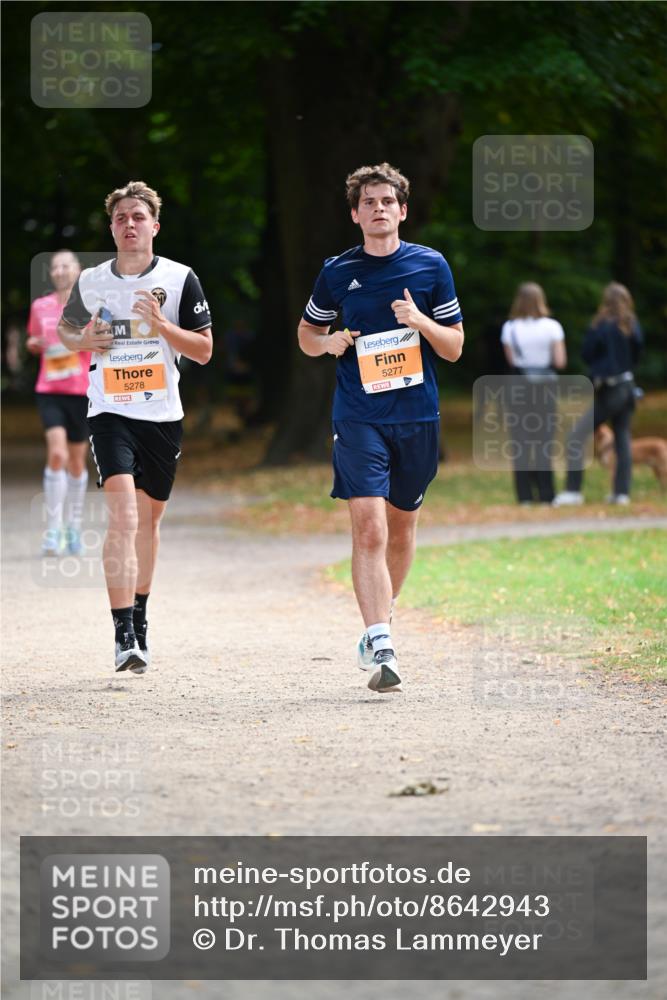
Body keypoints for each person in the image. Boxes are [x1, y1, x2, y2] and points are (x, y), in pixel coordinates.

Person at [298, 163, 464, 694]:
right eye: (368, 202)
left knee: (402, 527)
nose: (378, 209)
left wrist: (421, 322)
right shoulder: (337, 272)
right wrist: (327, 343)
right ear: (355, 214)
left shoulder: (430, 265)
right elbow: (306, 334)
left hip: (416, 416)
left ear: (402, 210)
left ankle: (382, 613)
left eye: (387, 201)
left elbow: (454, 348)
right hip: (358, 415)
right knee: (369, 528)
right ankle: (382, 642)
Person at [57, 181, 213, 673]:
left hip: (162, 415)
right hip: (109, 411)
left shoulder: (180, 278)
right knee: (123, 518)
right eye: (121, 217)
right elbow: (66, 331)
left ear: (154, 226)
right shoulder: (92, 281)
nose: (130, 224)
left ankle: (140, 613)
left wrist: (162, 325)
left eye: (138, 217)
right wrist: (86, 341)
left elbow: (204, 350)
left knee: (148, 522)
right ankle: (123, 632)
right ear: (112, 228)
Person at [554, 282, 642, 506]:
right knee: (622, 438)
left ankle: (573, 491)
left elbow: (587, 353)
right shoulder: (632, 324)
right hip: (628, 387)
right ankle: (621, 493)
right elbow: (637, 354)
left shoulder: (601, 325)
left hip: (610, 389)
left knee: (576, 436)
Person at [26, 250, 90, 556]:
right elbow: (33, 339)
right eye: (56, 267)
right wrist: (33, 344)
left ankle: (73, 527)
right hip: (49, 390)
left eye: (67, 265)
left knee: (76, 463)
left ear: (78, 270)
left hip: (81, 392)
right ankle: (52, 532)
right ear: (51, 273)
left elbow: (106, 342)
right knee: (56, 455)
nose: (61, 271)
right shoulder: (40, 306)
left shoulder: (90, 306)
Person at [500, 282, 567, 504]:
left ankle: (524, 496)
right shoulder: (552, 327)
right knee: (544, 439)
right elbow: (560, 361)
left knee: (520, 440)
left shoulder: (510, 327)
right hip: (545, 386)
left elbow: (512, 360)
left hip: (519, 385)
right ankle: (547, 494)